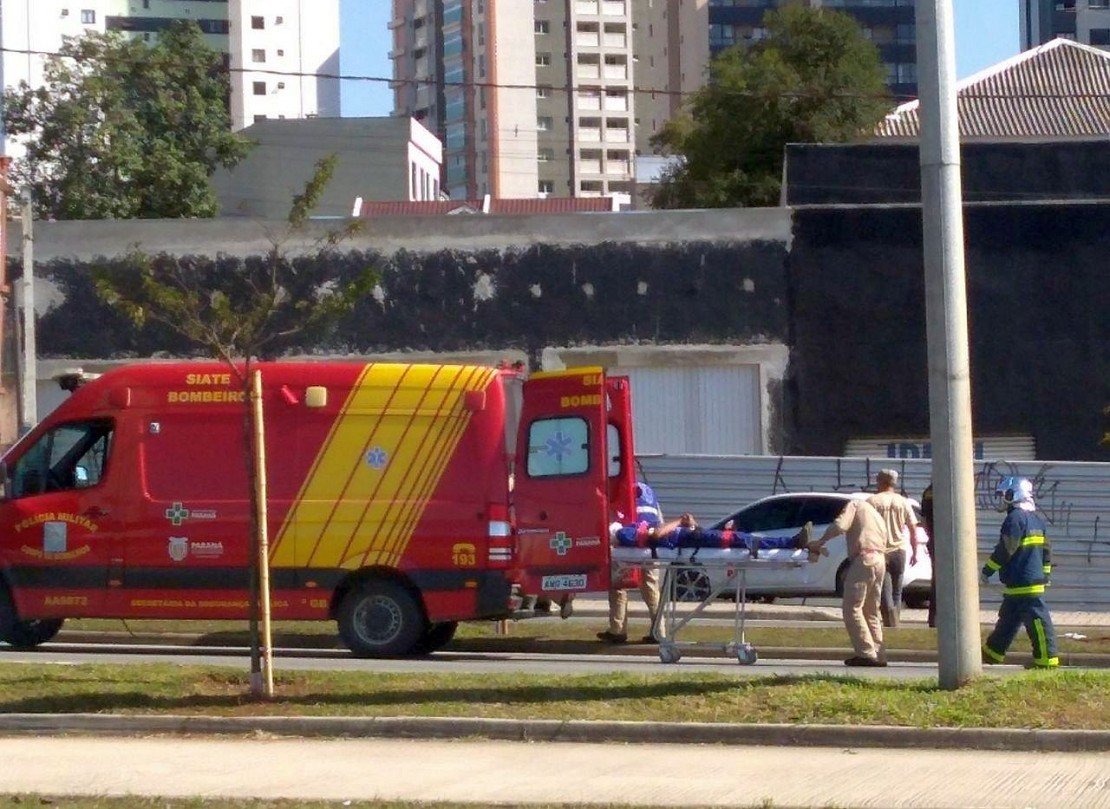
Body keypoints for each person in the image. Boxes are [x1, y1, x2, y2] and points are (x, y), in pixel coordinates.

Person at [981, 476, 1059, 669]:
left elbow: (1006, 549)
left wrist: (987, 570)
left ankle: (1047, 660)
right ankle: (991, 654)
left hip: (1024, 583)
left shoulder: (1014, 518)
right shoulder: (1036, 520)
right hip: (1021, 583)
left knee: (1038, 622)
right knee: (1007, 621)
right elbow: (1046, 551)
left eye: (1004, 495)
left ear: (1013, 495)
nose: (1002, 500)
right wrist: (1045, 574)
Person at [809, 497, 888, 667]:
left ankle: (866, 653)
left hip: (864, 558)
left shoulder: (855, 504)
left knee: (852, 608)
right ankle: (878, 653)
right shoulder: (876, 515)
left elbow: (839, 526)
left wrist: (821, 541)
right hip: (880, 559)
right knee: (871, 610)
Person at [597, 481, 664, 644]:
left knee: (618, 585)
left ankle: (618, 630)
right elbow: (659, 519)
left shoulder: (619, 489)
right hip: (651, 544)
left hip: (629, 543)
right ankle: (659, 631)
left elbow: (614, 520)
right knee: (651, 588)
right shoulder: (648, 490)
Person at [867, 469, 918, 628]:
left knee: (884, 590)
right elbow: (913, 529)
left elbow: (866, 526)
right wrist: (915, 552)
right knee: (897, 591)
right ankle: (895, 622)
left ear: (881, 481)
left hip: (880, 550)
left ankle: (890, 624)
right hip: (899, 550)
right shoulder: (903, 502)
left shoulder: (872, 502)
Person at [920, 483, 936, 628]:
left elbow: (924, 520)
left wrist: (931, 536)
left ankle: (934, 619)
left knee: (936, 581)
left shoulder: (928, 491)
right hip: (945, 542)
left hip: (934, 541)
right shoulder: (950, 489)